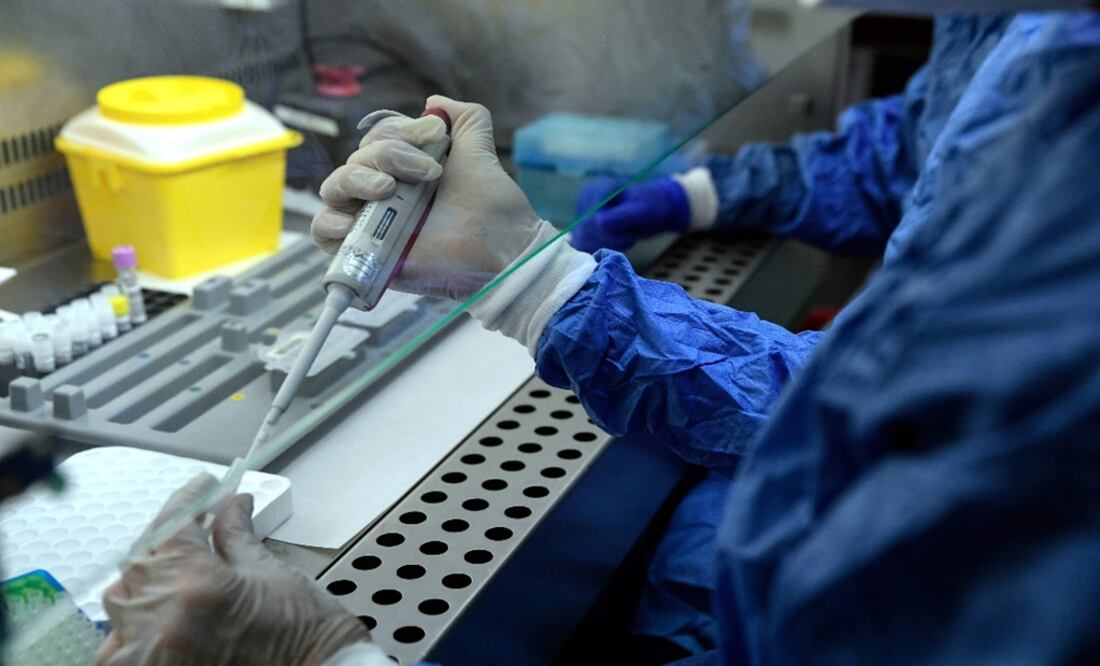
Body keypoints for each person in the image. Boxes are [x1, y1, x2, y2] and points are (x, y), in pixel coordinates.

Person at [97, 3, 1100, 664]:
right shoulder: (1035, 38)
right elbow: (928, 148)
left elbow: (901, 450)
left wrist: (322, 656)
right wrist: (556, 252)